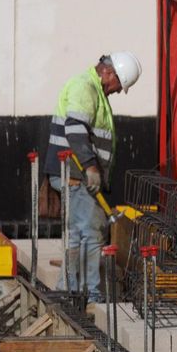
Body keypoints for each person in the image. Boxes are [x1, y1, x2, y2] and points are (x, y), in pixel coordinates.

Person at [47, 52, 140, 299]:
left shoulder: (95, 91)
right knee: (90, 231)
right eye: (120, 85)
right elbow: (75, 129)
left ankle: (69, 290)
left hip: (80, 173)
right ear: (109, 73)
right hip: (76, 172)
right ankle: (89, 293)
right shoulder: (84, 86)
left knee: (80, 232)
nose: (119, 91)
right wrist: (90, 167)